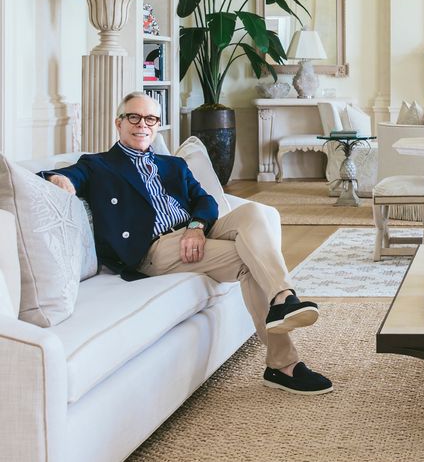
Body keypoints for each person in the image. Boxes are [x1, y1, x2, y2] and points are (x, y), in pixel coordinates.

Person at [40, 92, 332, 395]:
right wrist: (60, 181)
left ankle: (283, 298)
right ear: (119, 122)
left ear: (157, 126)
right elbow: (65, 177)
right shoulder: (99, 165)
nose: (142, 125)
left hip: (196, 230)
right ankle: (283, 365)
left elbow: (203, 200)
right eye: (134, 117)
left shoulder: (172, 165)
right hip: (154, 247)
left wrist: (196, 226)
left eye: (150, 119)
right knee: (248, 259)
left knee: (254, 213)